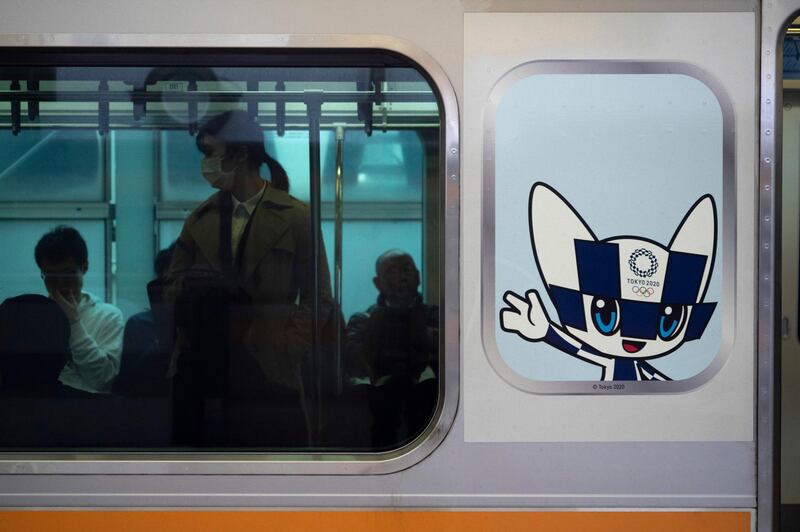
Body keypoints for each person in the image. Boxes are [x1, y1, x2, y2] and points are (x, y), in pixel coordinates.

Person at [166, 110, 332, 446]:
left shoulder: (295, 217)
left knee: (273, 460)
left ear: (240, 154)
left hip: (270, 365)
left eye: (210, 153)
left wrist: (289, 346)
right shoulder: (199, 219)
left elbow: (319, 296)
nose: (206, 165)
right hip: (205, 365)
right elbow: (170, 289)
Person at [344, 250, 438, 448]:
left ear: (418, 277)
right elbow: (353, 356)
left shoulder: (437, 317)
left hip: (430, 409)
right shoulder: (363, 319)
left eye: (406, 270)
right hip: (379, 403)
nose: (401, 277)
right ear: (378, 282)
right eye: (392, 271)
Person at [35, 225, 124, 394]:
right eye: (51, 277)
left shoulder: (108, 316)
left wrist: (73, 322)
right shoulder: (35, 317)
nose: (60, 284)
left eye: (67, 274)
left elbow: (103, 381)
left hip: (89, 413)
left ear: (84, 267)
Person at [114, 244, 175, 396]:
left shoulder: (203, 327)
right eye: (170, 282)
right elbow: (127, 384)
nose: (176, 290)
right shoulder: (139, 325)